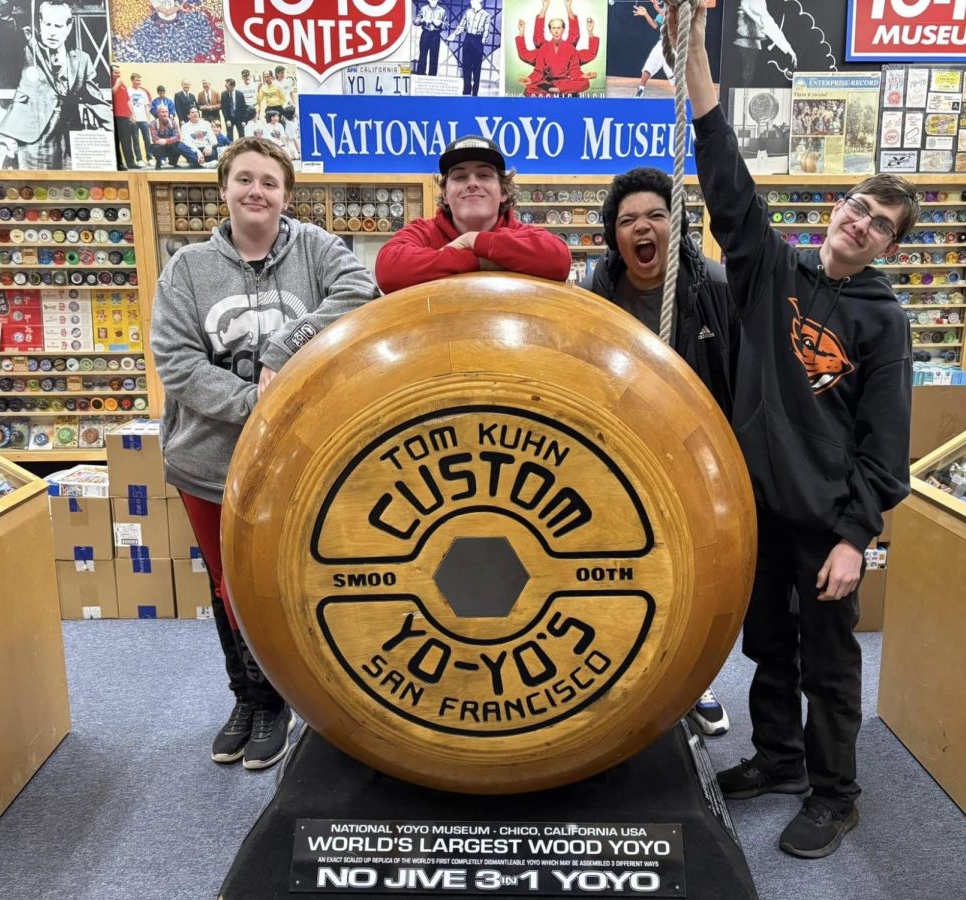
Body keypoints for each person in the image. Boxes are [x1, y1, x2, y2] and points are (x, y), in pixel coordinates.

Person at [676, 5, 916, 859]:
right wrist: (695, 46)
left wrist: (856, 537)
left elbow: (888, 450)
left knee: (830, 663)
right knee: (765, 645)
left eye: (880, 224)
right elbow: (722, 167)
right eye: (858, 206)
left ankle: (835, 792)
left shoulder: (883, 324)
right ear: (840, 207)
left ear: (889, 244)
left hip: (826, 525)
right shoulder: (773, 273)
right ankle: (776, 760)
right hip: (759, 511)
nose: (861, 223)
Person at [150, 137, 379, 770]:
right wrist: (258, 402)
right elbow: (175, 359)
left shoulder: (317, 248)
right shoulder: (188, 267)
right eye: (244, 179)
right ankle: (250, 701)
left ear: (286, 194)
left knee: (289, 583)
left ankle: (284, 700)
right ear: (223, 189)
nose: (257, 191)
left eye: (269, 182)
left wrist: (285, 346)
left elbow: (363, 291)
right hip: (209, 462)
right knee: (230, 588)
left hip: (297, 466)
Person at [581, 166, 736, 739]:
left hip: (695, 466)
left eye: (654, 216)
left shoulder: (717, 289)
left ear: (678, 225)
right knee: (616, 571)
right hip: (616, 465)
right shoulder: (597, 297)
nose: (641, 228)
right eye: (627, 221)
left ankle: (691, 684)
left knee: (690, 578)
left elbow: (739, 381)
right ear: (613, 236)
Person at [375, 135, 572, 292]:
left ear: (503, 192)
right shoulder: (424, 232)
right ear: (445, 194)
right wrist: (479, 261)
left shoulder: (523, 233)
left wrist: (472, 240)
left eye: (484, 175)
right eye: (460, 177)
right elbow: (388, 270)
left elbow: (559, 260)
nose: (472, 183)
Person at [0, 0, 112, 169]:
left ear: (68, 27)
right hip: (30, 135)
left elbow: (96, 101)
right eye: (48, 24)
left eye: (58, 26)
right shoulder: (27, 45)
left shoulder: (81, 59)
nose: (52, 32)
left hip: (68, 138)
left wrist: (114, 134)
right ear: (40, 23)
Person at [515, 0, 600, 96]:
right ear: (550, 30)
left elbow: (575, 69)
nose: (556, 31)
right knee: (529, 89)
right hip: (546, 83)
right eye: (553, 28)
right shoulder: (543, 48)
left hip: (564, 83)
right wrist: (530, 79)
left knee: (585, 82)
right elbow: (537, 70)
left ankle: (555, 91)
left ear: (563, 30)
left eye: (559, 28)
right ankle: (553, 91)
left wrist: (584, 75)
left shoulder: (570, 48)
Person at [113, 0, 225, 63]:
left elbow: (178, 5)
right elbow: (166, 12)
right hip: (161, 21)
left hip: (176, 19)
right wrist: (180, 7)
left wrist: (183, 7)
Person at [727, 0, 796, 84]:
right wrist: (787, 48)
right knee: (746, 81)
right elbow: (767, 23)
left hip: (746, 45)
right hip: (747, 47)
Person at [448, 0, 492, 96]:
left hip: (478, 40)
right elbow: (461, 26)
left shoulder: (486, 15)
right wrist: (454, 35)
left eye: (472, 1)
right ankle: (466, 90)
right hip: (468, 39)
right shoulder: (468, 12)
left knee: (476, 68)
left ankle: (475, 92)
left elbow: (487, 30)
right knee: (466, 66)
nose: (470, 2)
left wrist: (484, 40)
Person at [631, 0, 671, 98]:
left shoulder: (678, 7)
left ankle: (683, 94)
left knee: (673, 74)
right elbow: (655, 25)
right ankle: (641, 89)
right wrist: (645, 14)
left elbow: (671, 17)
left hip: (674, 44)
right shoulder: (664, 10)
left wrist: (657, 7)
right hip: (662, 42)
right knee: (649, 65)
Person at [111, 66, 140, 169]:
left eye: (119, 73)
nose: (118, 75)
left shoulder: (122, 85)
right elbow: (111, 93)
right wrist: (117, 84)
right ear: (111, 73)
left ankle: (131, 163)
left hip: (125, 116)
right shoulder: (111, 82)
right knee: (116, 142)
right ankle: (119, 164)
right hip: (115, 116)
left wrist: (132, 113)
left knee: (127, 141)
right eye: (116, 73)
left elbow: (128, 100)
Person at [414, 0, 448, 76]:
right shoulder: (423, 9)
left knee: (434, 57)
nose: (433, 1)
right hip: (425, 34)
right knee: (422, 56)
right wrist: (422, 20)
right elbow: (415, 22)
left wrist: (440, 23)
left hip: (435, 36)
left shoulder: (442, 11)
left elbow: (446, 26)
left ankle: (432, 77)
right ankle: (420, 76)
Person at [127, 72, 153, 161]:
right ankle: (139, 160)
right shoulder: (128, 91)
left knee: (147, 139)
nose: (139, 82)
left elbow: (146, 107)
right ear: (132, 80)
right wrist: (131, 116)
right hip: (134, 119)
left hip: (143, 119)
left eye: (140, 80)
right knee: (136, 140)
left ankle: (150, 158)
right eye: (137, 80)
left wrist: (149, 119)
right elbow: (126, 105)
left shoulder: (142, 92)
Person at [148, 103, 182, 168]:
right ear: (158, 113)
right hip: (160, 145)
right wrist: (162, 141)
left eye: (166, 112)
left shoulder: (173, 123)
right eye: (162, 112)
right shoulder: (153, 123)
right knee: (155, 147)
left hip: (170, 144)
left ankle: (173, 162)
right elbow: (154, 138)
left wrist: (166, 141)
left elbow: (177, 136)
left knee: (180, 145)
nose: (165, 114)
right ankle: (158, 162)